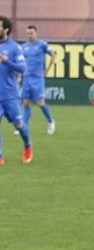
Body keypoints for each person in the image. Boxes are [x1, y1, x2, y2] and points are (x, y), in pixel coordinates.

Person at [0, 16, 33, 164]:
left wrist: (6, 61)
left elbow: (23, 68)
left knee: (19, 125)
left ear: (5, 29)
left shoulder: (15, 48)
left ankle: (28, 145)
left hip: (10, 95)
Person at [20, 25, 56, 135]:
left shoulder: (42, 45)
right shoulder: (23, 47)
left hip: (37, 78)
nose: (29, 35)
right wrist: (19, 76)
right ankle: (24, 127)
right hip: (27, 78)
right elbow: (21, 63)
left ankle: (51, 121)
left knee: (40, 103)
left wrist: (47, 70)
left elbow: (53, 55)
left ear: (36, 33)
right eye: (27, 34)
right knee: (26, 103)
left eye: (31, 33)